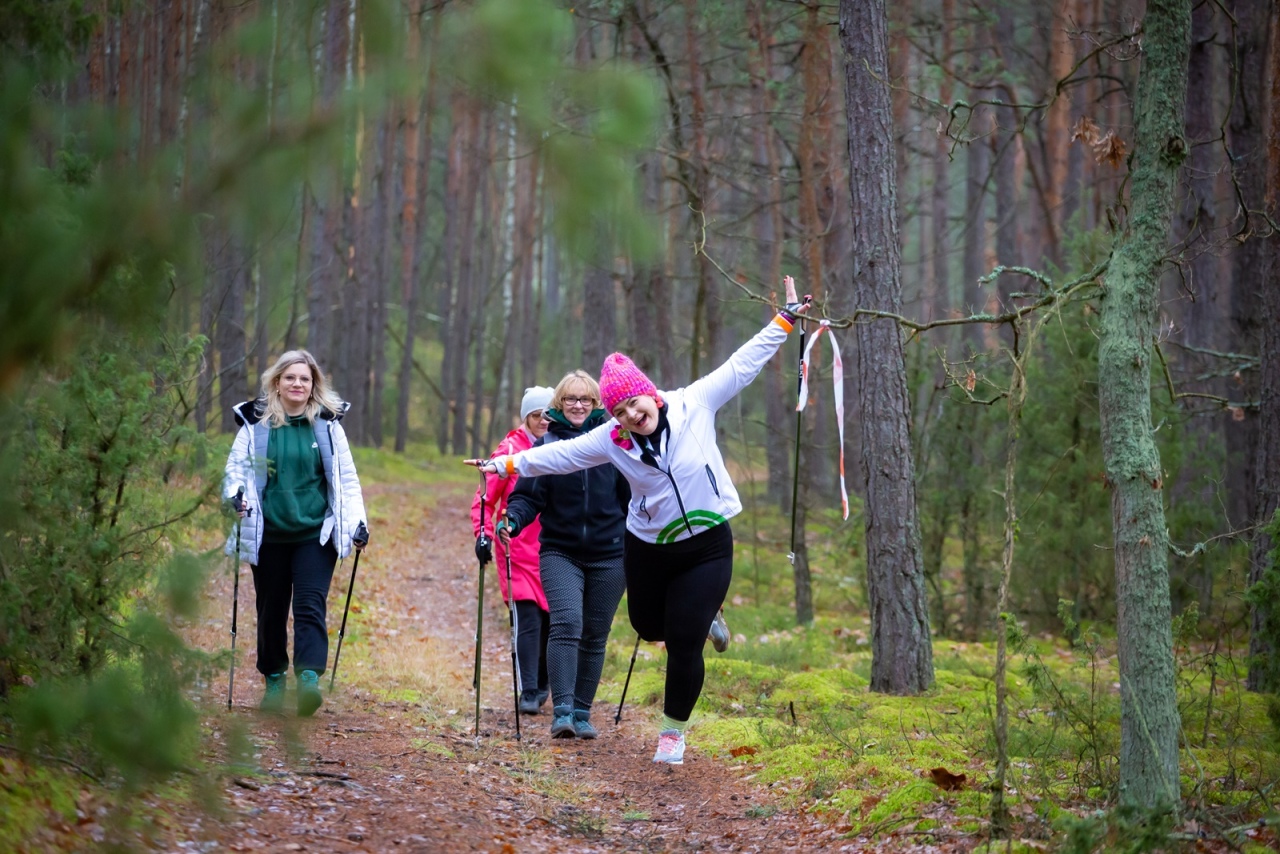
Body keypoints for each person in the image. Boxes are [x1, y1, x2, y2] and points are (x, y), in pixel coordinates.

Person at [471, 276, 808, 763]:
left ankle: (673, 733)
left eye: (636, 402)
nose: (632, 414)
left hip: (709, 541)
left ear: (651, 394)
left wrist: (786, 319)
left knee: (685, 639)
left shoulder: (696, 402)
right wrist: (504, 464)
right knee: (649, 624)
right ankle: (693, 616)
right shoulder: (611, 438)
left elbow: (743, 363)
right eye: (622, 410)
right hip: (647, 544)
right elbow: (558, 457)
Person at [224, 350, 369, 717]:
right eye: (290, 378)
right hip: (268, 532)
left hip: (315, 535)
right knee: (270, 610)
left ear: (314, 385)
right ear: (277, 381)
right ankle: (274, 680)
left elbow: (346, 481)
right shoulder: (256, 423)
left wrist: (356, 524)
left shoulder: (328, 425)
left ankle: (308, 680)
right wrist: (235, 497)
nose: (298, 384)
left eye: (305, 379)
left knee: (309, 606)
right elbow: (236, 471)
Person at [499, 371, 630, 740]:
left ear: (596, 404)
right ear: (559, 404)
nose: (577, 405)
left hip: (611, 555)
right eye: (570, 399)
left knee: (595, 634)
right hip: (561, 552)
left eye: (585, 400)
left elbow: (634, 499)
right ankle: (564, 711)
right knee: (567, 622)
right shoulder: (547, 447)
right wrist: (512, 520)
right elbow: (527, 497)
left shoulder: (615, 445)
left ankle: (584, 713)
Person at [471, 385, 555, 715]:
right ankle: (529, 689)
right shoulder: (508, 451)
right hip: (517, 551)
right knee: (527, 620)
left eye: (548, 415)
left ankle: (546, 681)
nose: (543, 421)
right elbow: (484, 500)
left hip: (553, 550)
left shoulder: (562, 448)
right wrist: (484, 534)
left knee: (552, 623)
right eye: (536, 415)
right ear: (526, 417)